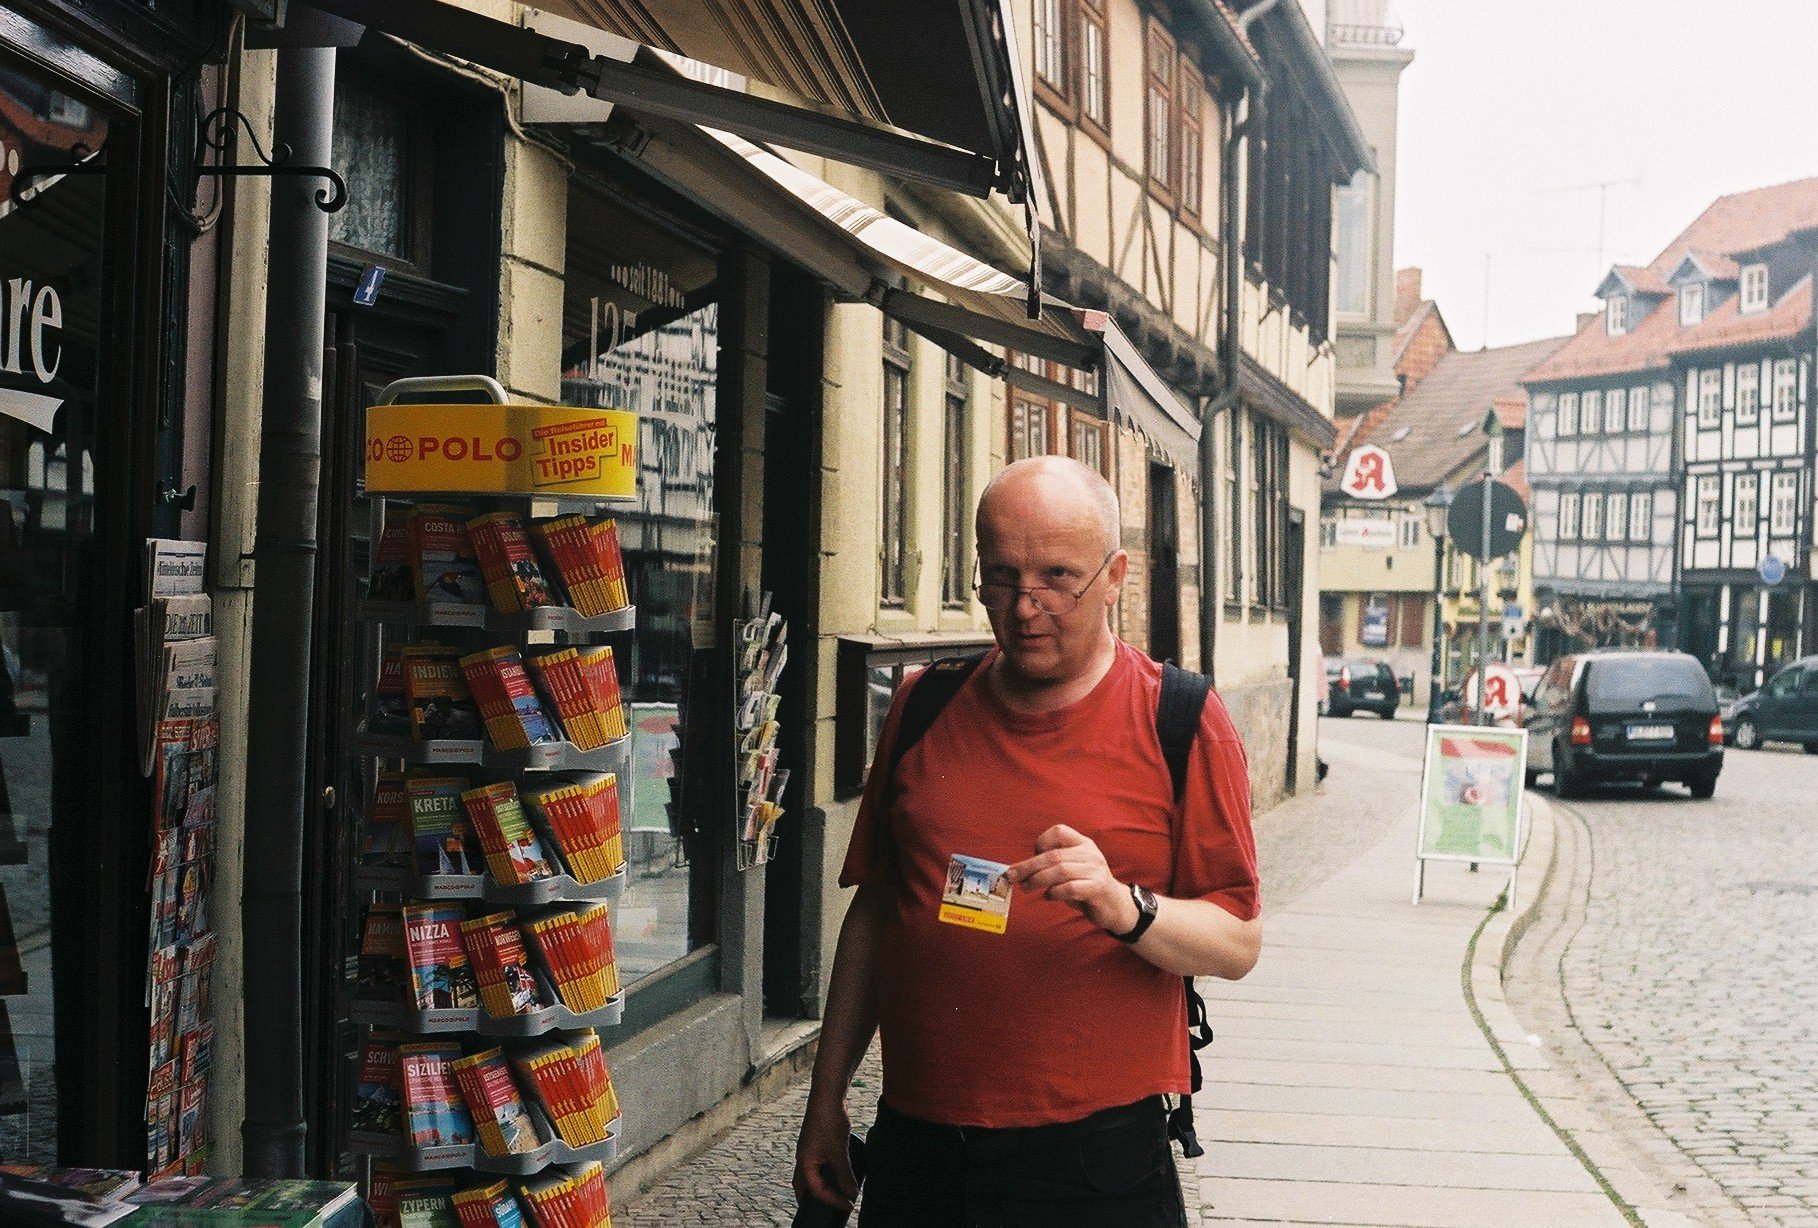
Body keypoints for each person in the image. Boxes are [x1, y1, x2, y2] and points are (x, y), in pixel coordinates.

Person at [794, 456, 1262, 1228]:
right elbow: (877, 915)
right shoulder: (924, 704)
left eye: (1056, 576)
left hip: (1093, 1163)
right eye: (1001, 576)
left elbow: (1238, 941)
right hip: (921, 1150)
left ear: (1114, 577)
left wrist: (1126, 907)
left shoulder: (1180, 721)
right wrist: (825, 1100)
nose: (1024, 606)